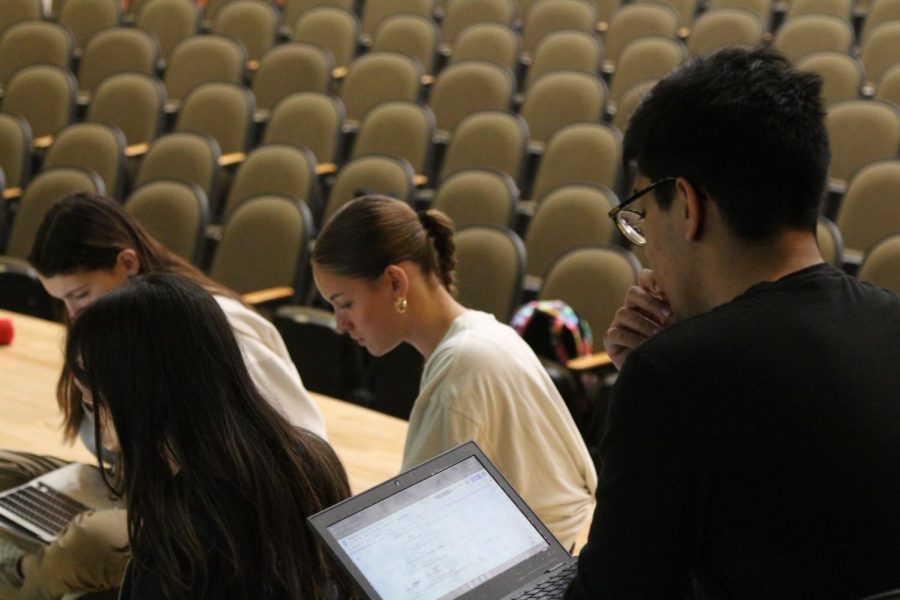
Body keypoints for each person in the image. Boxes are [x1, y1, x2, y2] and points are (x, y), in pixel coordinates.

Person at [566, 46, 900, 599]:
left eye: (644, 216)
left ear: (689, 206)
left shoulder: (675, 378)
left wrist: (657, 375)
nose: (647, 250)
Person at [0, 194, 327, 599]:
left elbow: (293, 450)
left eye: (80, 294)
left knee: (83, 544)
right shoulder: (131, 337)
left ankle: (20, 571)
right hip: (160, 489)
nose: (71, 312)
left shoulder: (206, 329)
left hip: (211, 503)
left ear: (127, 263)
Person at [311, 195, 597, 550]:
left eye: (345, 304)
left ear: (396, 283)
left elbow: (420, 530)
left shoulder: (462, 366)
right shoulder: (486, 333)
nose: (340, 325)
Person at [63, 273, 353, 598]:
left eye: (92, 394)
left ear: (138, 395)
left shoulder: (182, 537)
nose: (90, 406)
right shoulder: (313, 456)